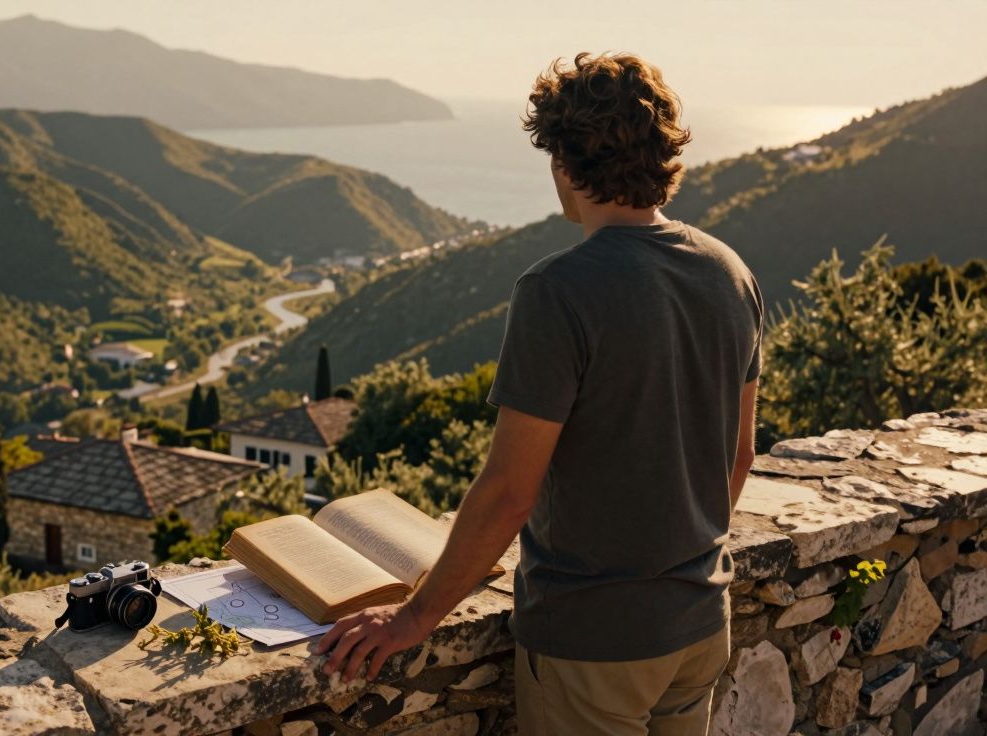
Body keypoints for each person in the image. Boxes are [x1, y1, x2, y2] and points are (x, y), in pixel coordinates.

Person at [314, 52, 762, 736]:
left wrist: (413, 617)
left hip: (592, 643)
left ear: (563, 163)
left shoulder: (557, 291)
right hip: (700, 622)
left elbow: (508, 492)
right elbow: (739, 457)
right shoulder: (729, 273)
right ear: (662, 151)